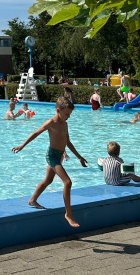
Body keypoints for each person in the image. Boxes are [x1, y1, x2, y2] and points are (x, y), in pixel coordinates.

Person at [12, 94, 88, 228]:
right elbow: (35, 133)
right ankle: (68, 214)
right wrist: (22, 146)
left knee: (48, 180)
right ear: (58, 110)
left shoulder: (65, 123)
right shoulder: (51, 123)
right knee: (68, 182)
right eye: (66, 114)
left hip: (59, 155)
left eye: (69, 114)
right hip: (52, 156)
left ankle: (32, 200)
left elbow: (68, 142)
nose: (68, 116)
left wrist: (79, 157)